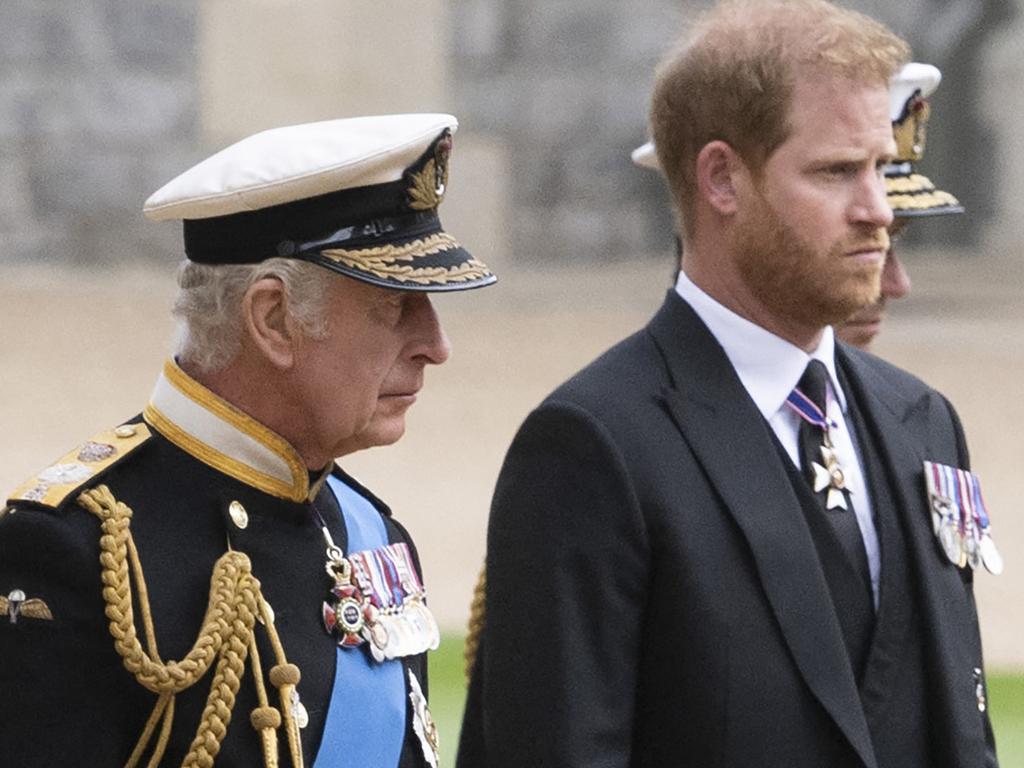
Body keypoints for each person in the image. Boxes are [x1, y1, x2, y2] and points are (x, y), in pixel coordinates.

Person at [457, 2, 1000, 767]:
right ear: (721, 178)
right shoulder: (595, 446)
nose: (877, 208)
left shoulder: (921, 421)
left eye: (879, 168)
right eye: (836, 171)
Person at [0, 113, 495, 768]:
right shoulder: (73, 552)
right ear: (272, 319)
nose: (436, 346)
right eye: (396, 305)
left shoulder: (373, 534)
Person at [631, 61, 964, 351]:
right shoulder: (610, 419)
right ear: (723, 184)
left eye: (891, 240)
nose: (896, 285)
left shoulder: (903, 412)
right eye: (852, 233)